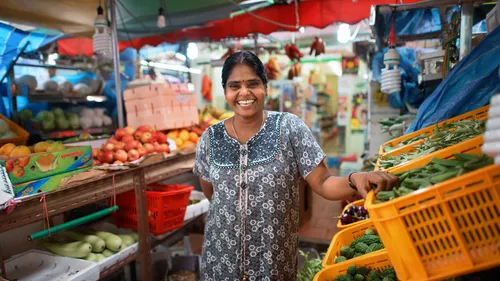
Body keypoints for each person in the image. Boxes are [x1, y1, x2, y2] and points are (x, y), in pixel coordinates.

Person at [193, 51, 399, 281]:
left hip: (273, 261)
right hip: (220, 259)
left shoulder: (289, 128)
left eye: (253, 84)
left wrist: (354, 179)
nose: (244, 92)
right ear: (226, 92)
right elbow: (212, 192)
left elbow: (322, 182)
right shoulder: (211, 138)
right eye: (235, 86)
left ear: (265, 88)